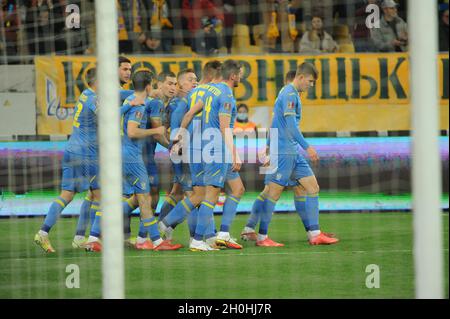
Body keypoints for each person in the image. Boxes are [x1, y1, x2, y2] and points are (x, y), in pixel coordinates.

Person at [84, 70, 181, 252]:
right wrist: (157, 131)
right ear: (149, 85)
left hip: (119, 153)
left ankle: (94, 238)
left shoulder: (130, 101)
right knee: (145, 199)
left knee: (130, 198)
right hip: (132, 157)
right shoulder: (139, 105)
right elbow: (132, 132)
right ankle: (153, 241)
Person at [241, 69, 337, 245]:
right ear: (299, 77)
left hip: (289, 151)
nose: (311, 85)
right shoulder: (289, 94)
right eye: (310, 81)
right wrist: (307, 147)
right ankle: (260, 236)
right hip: (284, 151)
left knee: (312, 187)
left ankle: (314, 233)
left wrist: (268, 145)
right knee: (273, 192)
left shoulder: (286, 95)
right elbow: (291, 125)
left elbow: (275, 123)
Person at [158, 61, 223, 250]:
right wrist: (178, 148)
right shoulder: (181, 103)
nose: (194, 83)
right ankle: (197, 235)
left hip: (190, 152)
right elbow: (178, 130)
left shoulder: (190, 100)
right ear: (180, 85)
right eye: (190, 80)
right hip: (185, 154)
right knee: (195, 194)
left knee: (180, 193)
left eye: (195, 79)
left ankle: (169, 227)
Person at [189, 59, 245, 251]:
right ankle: (197, 240)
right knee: (211, 196)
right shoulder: (227, 95)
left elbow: (192, 113)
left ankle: (220, 235)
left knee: (234, 189)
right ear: (233, 75)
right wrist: (235, 154)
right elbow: (223, 127)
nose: (241, 77)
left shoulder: (211, 89)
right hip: (217, 149)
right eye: (240, 74)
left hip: (207, 146)